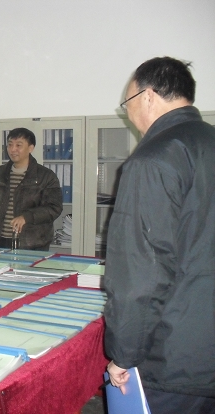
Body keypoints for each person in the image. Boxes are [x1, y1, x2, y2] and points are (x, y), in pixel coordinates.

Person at [104, 57, 215, 413]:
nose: (128, 112)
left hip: (175, 354)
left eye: (127, 102)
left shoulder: (153, 159)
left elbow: (141, 274)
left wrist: (124, 355)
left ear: (148, 96)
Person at [0, 127, 63, 250]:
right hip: (0, 241)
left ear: (31, 148)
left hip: (32, 244)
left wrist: (26, 217)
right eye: (10, 145)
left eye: (18, 145)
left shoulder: (46, 176)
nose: (13, 149)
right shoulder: (0, 173)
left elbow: (54, 208)